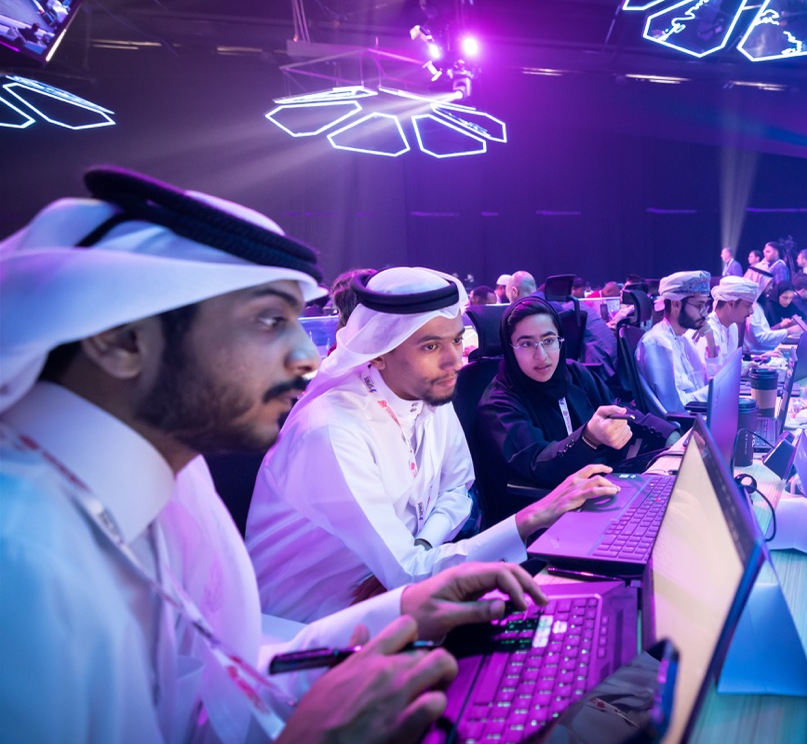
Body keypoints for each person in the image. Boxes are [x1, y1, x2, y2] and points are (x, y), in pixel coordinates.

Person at [0, 168, 549, 743]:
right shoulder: (20, 550)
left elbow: (218, 675)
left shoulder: (175, 479)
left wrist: (405, 607)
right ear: (122, 340)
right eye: (269, 321)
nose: (307, 356)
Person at [246, 266, 617, 622]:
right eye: (430, 346)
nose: (454, 360)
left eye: (456, 340)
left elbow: (458, 487)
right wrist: (533, 516)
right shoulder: (332, 431)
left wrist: (421, 547)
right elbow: (409, 576)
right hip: (314, 623)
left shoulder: (427, 392)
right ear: (380, 352)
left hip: (407, 588)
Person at [477, 298, 633, 496]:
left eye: (549, 340)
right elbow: (538, 463)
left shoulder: (573, 372)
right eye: (526, 344)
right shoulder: (498, 404)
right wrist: (588, 438)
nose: (541, 356)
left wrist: (666, 436)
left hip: (602, 486)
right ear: (510, 349)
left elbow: (616, 409)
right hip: (546, 506)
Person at [636, 271, 713, 415]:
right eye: (699, 306)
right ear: (676, 304)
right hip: (683, 424)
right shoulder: (658, 342)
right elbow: (675, 407)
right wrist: (716, 392)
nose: (704, 314)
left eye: (705, 306)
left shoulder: (683, 339)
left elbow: (702, 383)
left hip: (699, 415)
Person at [698, 276, 757, 378]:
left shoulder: (732, 327)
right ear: (731, 304)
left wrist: (748, 365)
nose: (751, 311)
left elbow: (727, 367)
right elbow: (710, 378)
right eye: (748, 306)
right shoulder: (707, 332)